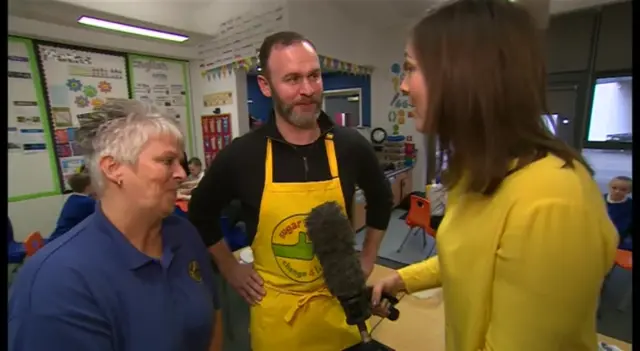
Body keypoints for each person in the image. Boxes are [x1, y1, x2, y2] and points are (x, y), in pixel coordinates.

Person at [369, 1, 618, 350]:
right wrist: (402, 279)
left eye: (411, 69)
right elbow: (471, 259)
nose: (404, 87)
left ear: (463, 75)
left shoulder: (554, 201)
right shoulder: (479, 173)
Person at [188, 31, 393, 351]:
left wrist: (367, 258)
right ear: (266, 86)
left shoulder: (349, 146)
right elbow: (200, 211)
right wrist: (230, 268)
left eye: (314, 76)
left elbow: (382, 199)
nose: (308, 90)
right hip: (277, 319)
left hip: (340, 309)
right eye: (293, 79)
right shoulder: (242, 155)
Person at [9, 99, 223, 351]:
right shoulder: (57, 281)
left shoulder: (183, 234)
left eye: (181, 162)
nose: (181, 174)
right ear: (114, 169)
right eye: (167, 161)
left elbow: (213, 317)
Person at [48, 171, 96, 242]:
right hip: (65, 240)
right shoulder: (87, 202)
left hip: (58, 236)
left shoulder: (73, 198)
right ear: (88, 187)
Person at [605, 176, 632, 250]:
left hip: (621, 240)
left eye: (623, 189)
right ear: (609, 186)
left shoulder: (630, 205)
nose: (617, 191)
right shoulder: (598, 200)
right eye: (614, 188)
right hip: (599, 237)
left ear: (629, 191)